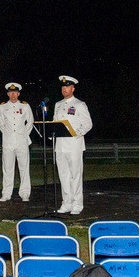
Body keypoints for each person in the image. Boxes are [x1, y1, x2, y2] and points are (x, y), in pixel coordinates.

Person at [53, 76, 93, 214]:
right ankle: (66, 203)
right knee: (63, 175)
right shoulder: (58, 105)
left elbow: (88, 124)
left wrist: (76, 133)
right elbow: (55, 122)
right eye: (63, 87)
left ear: (73, 88)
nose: (64, 89)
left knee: (75, 175)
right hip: (60, 145)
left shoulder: (79, 104)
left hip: (74, 145)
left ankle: (77, 203)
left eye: (67, 87)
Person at [0, 82, 33, 203]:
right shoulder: (2, 107)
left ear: (18, 93)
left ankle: (25, 193)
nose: (13, 95)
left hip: (22, 141)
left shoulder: (25, 106)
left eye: (15, 93)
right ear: (8, 94)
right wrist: (8, 134)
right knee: (7, 168)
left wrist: (23, 134)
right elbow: (0, 124)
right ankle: (6, 193)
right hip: (8, 141)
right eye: (10, 93)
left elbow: (30, 122)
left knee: (24, 167)